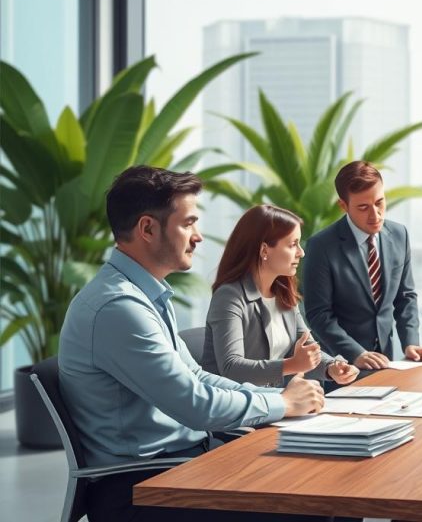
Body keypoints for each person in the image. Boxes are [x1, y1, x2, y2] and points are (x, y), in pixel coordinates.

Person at [58, 166, 326, 522]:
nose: (198, 236)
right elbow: (196, 404)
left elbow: (199, 378)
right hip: (141, 487)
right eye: (188, 223)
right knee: (314, 505)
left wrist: (279, 401)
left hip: (184, 461)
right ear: (148, 229)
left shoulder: (145, 296)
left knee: (327, 487)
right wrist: (280, 403)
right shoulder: (117, 309)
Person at [304, 160, 422, 370]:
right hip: (339, 366)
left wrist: (411, 342)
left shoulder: (400, 235)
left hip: (385, 361)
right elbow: (319, 315)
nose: (375, 215)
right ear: (343, 206)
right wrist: (356, 353)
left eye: (379, 202)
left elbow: (405, 297)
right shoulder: (322, 246)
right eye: (363, 207)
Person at [201, 204, 359, 388]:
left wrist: (332, 367)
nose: (301, 252)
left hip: (273, 405)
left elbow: (307, 349)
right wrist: (291, 365)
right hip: (235, 409)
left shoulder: (282, 292)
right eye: (293, 244)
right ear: (264, 250)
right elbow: (231, 369)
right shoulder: (230, 296)